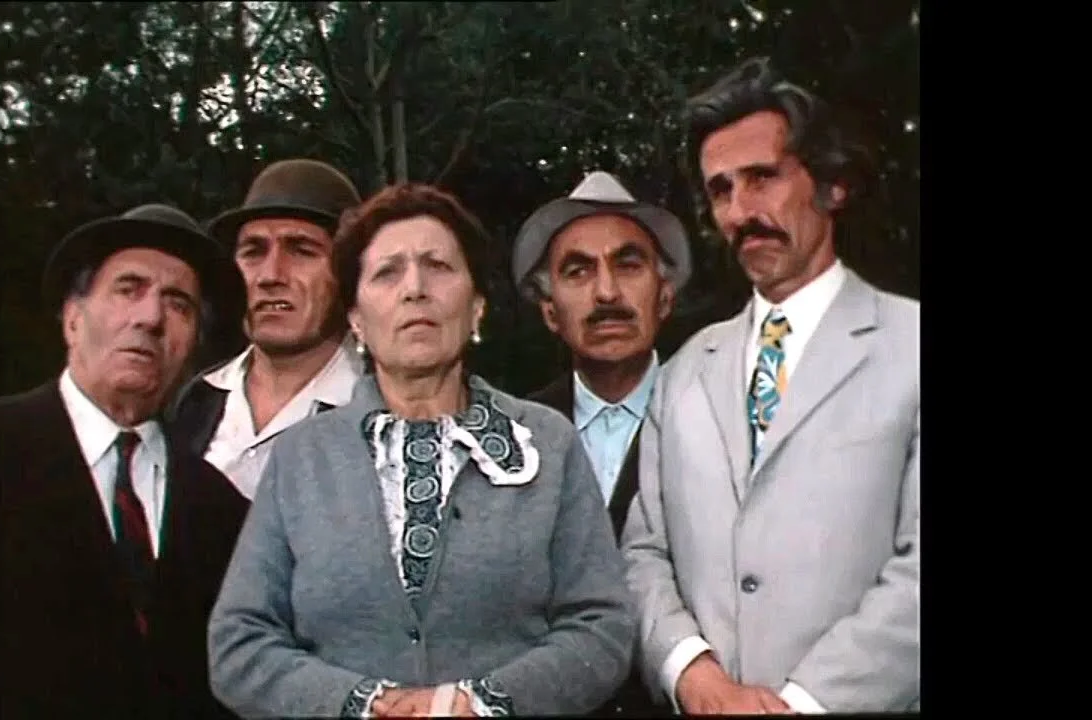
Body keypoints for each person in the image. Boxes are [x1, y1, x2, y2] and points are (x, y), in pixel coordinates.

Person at [207, 183, 634, 718]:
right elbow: (239, 644)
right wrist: (364, 704)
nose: (415, 288)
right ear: (356, 319)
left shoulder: (547, 441)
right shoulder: (301, 457)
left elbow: (602, 628)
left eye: (438, 266)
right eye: (387, 272)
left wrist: (481, 704)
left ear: (476, 307)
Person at [621, 57, 919, 714]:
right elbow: (643, 552)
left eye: (762, 178)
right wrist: (692, 676)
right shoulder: (684, 372)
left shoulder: (911, 346)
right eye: (721, 190)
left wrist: (803, 704)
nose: (740, 212)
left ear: (833, 187)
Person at [0, 203, 250, 720]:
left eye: (178, 304)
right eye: (129, 289)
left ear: (193, 343)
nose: (150, 318)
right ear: (72, 319)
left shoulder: (220, 508)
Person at [511, 170, 692, 717]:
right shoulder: (511, 435)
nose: (607, 292)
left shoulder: (717, 417)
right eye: (578, 271)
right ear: (550, 312)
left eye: (628, 265)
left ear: (664, 297)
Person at [171, 158, 365, 501]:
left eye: (301, 251)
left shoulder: (378, 404)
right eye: (253, 252)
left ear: (350, 273)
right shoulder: (196, 400)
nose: (271, 275)